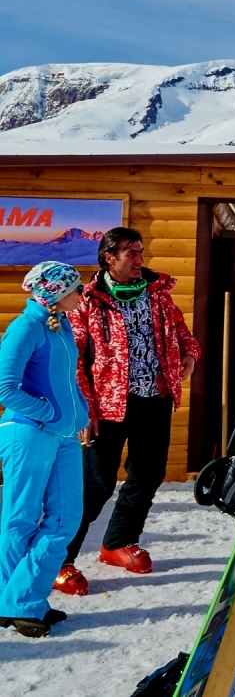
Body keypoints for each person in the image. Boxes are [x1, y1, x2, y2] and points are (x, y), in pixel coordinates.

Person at [62, 228, 199, 585]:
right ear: (109, 258)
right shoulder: (88, 301)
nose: (140, 259)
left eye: (140, 251)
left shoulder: (157, 294)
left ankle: (118, 542)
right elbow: (74, 360)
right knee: (95, 484)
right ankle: (59, 558)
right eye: (131, 253)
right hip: (106, 407)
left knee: (148, 474)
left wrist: (189, 355)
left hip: (155, 399)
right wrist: (85, 411)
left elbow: (184, 332)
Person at [0, 262, 89, 635]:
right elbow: (5, 388)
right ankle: (17, 602)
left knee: (66, 518)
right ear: (53, 292)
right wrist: (49, 413)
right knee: (20, 519)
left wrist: (77, 415)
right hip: (28, 433)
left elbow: (65, 380)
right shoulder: (25, 327)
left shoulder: (61, 325)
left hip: (63, 436)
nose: (81, 293)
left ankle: (19, 597)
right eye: (76, 288)